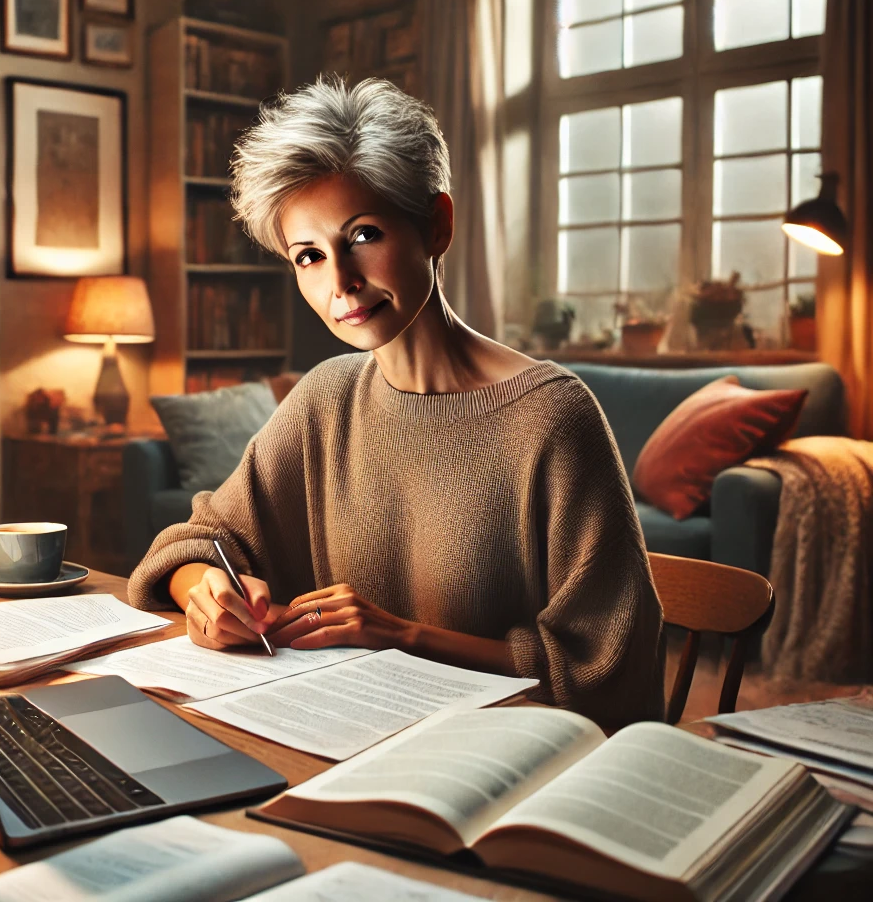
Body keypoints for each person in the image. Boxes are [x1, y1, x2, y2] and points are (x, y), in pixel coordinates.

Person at [128, 76, 664, 727]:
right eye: (308, 256)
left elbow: (611, 672)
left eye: (363, 236)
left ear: (436, 225)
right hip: (336, 741)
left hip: (502, 767)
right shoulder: (325, 398)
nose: (341, 283)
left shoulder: (552, 419)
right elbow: (197, 541)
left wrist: (402, 635)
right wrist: (205, 594)